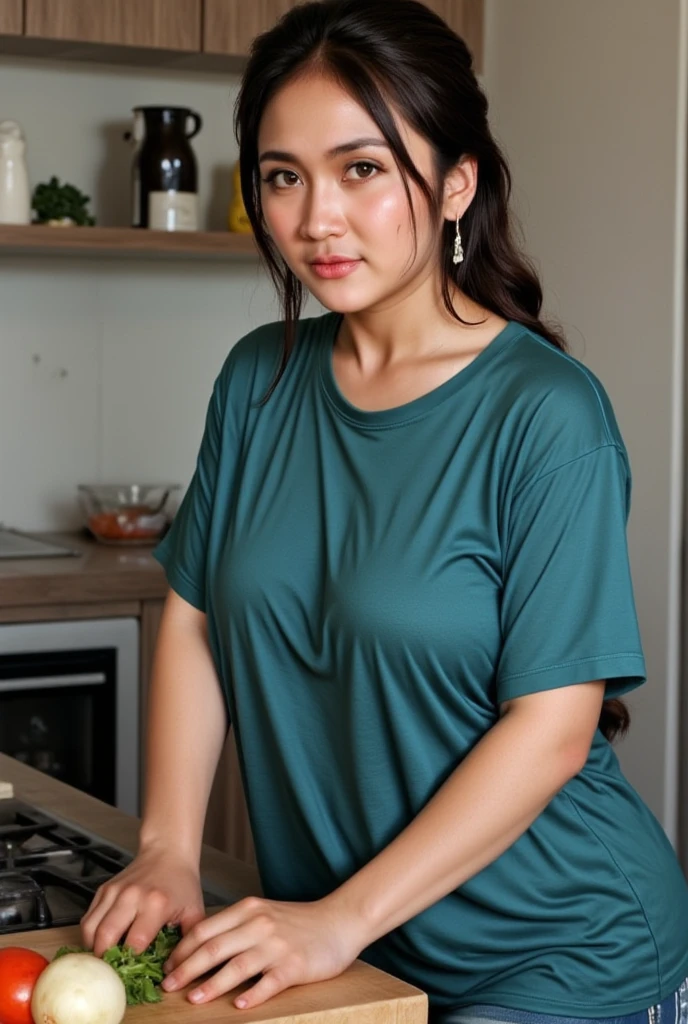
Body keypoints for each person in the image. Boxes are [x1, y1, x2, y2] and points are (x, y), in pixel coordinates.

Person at [81, 2, 688, 1021]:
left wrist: (336, 919)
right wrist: (168, 847)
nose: (316, 217)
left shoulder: (544, 413)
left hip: (556, 957)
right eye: (283, 175)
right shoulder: (258, 380)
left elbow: (550, 724)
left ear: (456, 182)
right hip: (346, 956)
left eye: (362, 169)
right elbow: (194, 616)